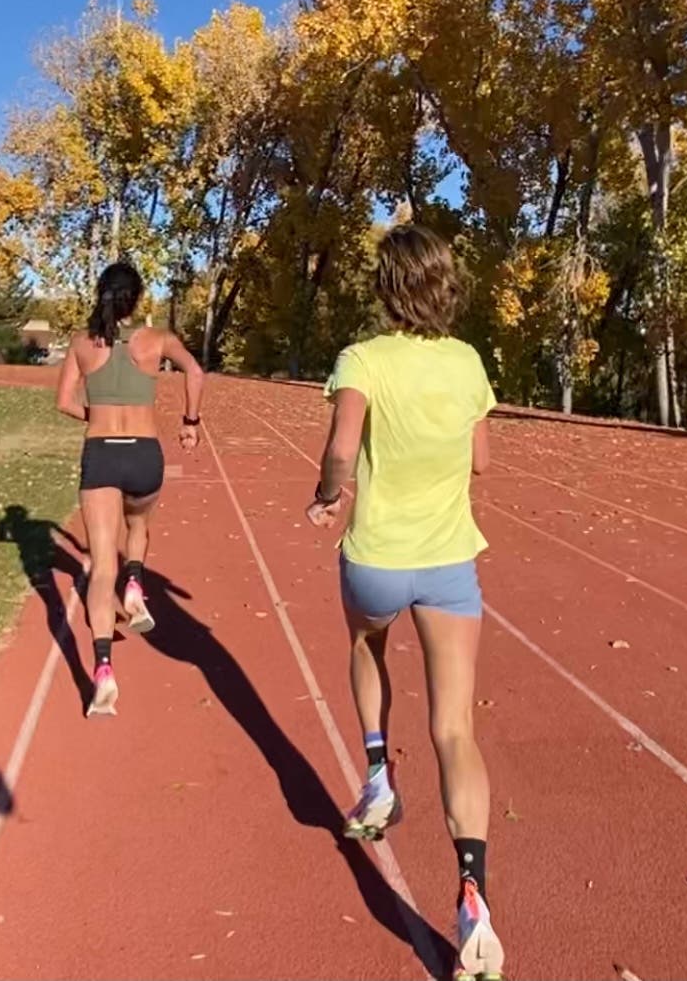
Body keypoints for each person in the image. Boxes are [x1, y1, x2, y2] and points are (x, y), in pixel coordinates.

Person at [306, 225, 505, 980]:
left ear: (386, 288)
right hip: (450, 561)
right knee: (455, 728)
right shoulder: (468, 362)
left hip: (377, 560)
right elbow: (481, 461)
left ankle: (378, 776)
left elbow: (339, 449)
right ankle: (474, 896)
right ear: (444, 286)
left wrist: (328, 494)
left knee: (366, 645)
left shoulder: (361, 359)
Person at [56, 260, 206, 717]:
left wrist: (98, 417)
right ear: (136, 299)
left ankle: (103, 669)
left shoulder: (81, 342)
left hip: (101, 455)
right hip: (144, 454)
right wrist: (190, 422)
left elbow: (63, 402)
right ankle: (136, 582)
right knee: (138, 525)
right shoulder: (157, 339)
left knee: (102, 567)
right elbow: (195, 372)